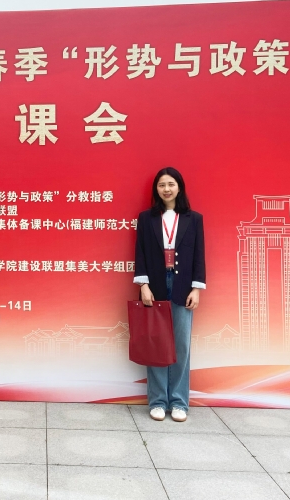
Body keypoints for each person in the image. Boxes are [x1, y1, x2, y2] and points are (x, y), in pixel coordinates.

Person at [132, 167, 205, 422]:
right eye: (162, 185)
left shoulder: (194, 219)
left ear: (179, 187)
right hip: (156, 284)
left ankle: (179, 402)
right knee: (156, 343)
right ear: (156, 189)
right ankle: (158, 401)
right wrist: (143, 285)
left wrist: (196, 288)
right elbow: (140, 252)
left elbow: (199, 255)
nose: (166, 189)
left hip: (183, 285)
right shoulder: (146, 218)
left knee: (181, 345)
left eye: (171, 184)